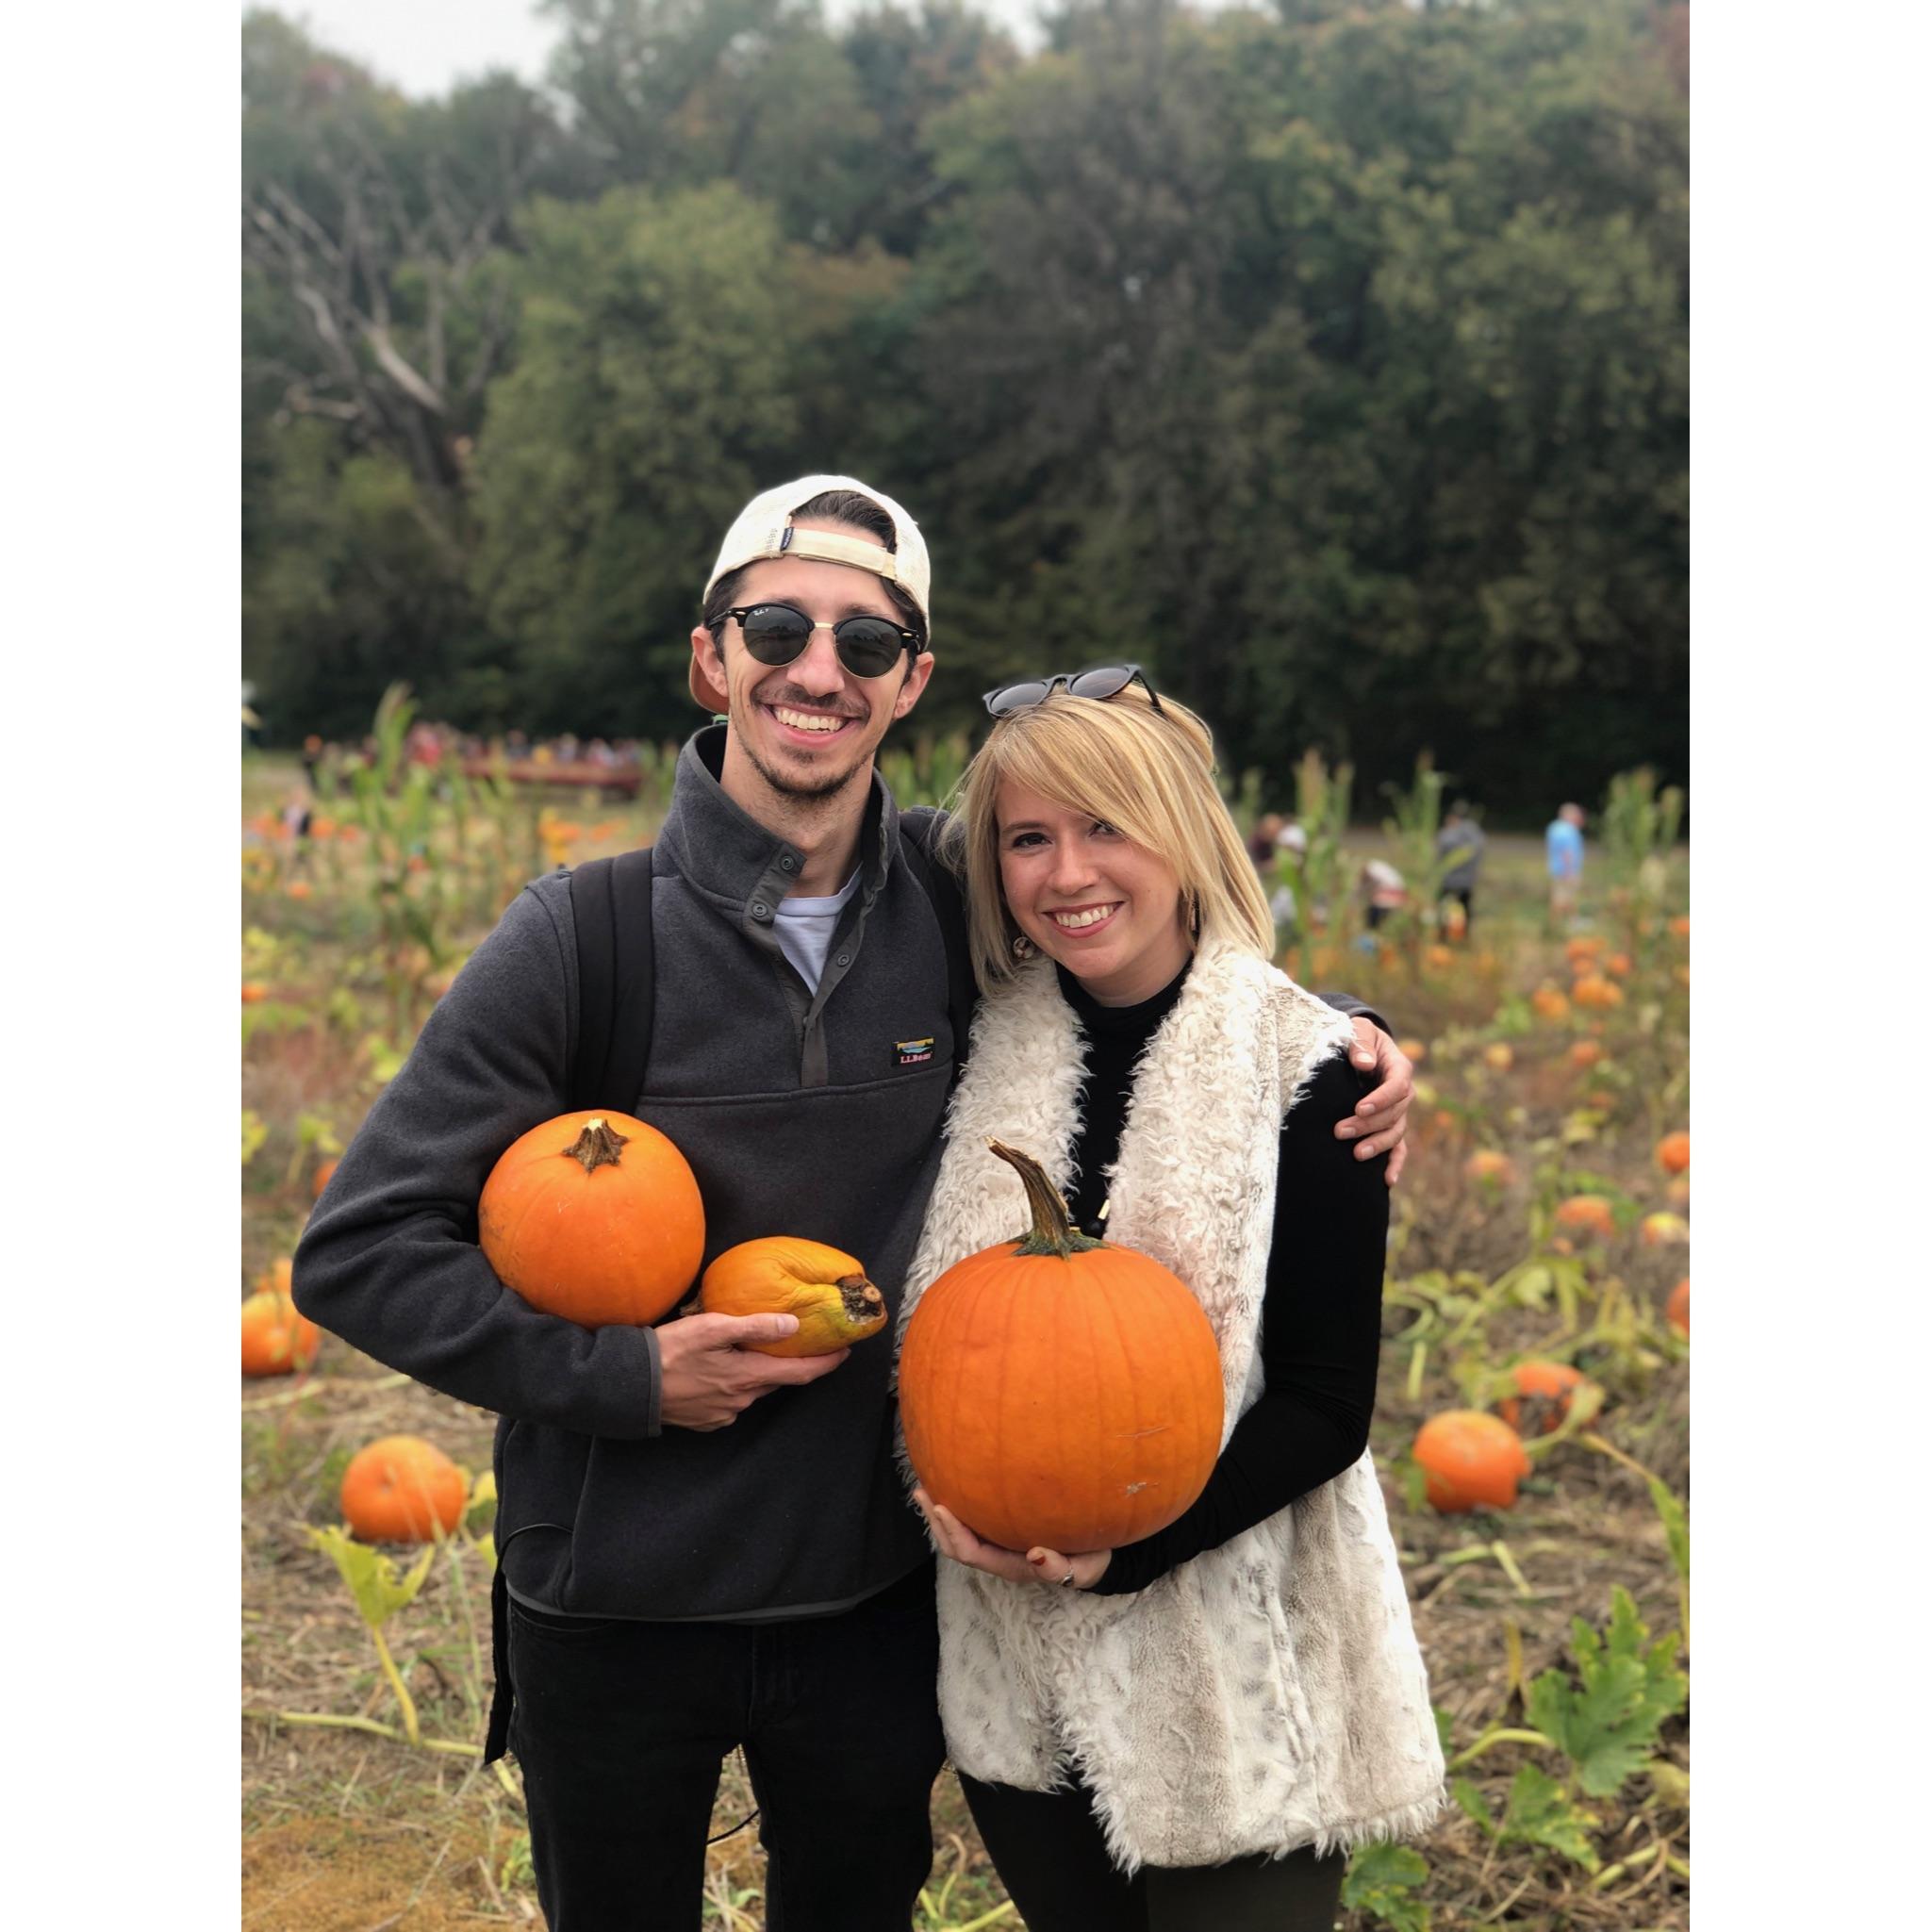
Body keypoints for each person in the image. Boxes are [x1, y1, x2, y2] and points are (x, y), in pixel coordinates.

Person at [291, 477, 1418, 1932]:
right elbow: (359, 1250)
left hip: (870, 1604)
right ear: (714, 656)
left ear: (909, 685)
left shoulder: (965, 895)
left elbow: (1159, 939)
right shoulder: (580, 941)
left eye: (865, 642)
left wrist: (1355, 1043)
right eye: (776, 624)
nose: (816, 667)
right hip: (619, 1596)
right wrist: (629, 1373)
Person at [906, 674, 1444, 1932]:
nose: (1066, 870)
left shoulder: (1308, 1071)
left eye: (1106, 826)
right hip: (1015, 1679)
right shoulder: (968, 1039)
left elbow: (1325, 1403)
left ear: (1185, 834)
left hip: (1231, 1681)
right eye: (1028, 837)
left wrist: (1124, 1555)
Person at [1436, 800, 1484, 936]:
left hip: (1450, 880)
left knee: (1445, 909)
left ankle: (1444, 935)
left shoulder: (1449, 833)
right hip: (1468, 880)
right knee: (1465, 908)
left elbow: (1442, 851)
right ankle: (1464, 935)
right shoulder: (1476, 833)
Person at [1546, 801, 1586, 928]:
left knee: (1562, 896)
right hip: (1567, 869)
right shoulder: (1569, 830)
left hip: (1556, 868)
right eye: (1576, 815)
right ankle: (1560, 923)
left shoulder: (1554, 827)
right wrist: (1570, 872)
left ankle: (1570, 920)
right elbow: (1567, 852)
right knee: (1564, 897)